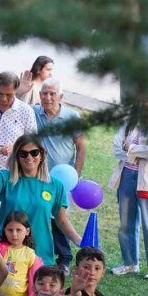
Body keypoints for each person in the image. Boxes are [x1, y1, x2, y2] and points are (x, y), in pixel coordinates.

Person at [0, 119, 81, 268]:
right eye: (23, 154)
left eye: (34, 152)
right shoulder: (6, 179)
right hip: (7, 253)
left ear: (42, 154)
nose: (29, 158)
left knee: (40, 291)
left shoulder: (55, 185)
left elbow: (61, 220)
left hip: (40, 253)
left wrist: (81, 241)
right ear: (17, 157)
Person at [109, 113, 148, 281]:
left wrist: (129, 148)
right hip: (127, 175)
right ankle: (130, 263)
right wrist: (136, 152)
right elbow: (116, 146)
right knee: (126, 223)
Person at [34, 78, 86, 270]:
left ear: (60, 96)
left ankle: (64, 258)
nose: (48, 97)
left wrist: (75, 176)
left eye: (52, 94)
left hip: (62, 180)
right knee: (37, 216)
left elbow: (81, 148)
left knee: (58, 217)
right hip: (37, 177)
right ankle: (34, 254)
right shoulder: (33, 112)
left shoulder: (72, 117)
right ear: (39, 95)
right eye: (44, 93)